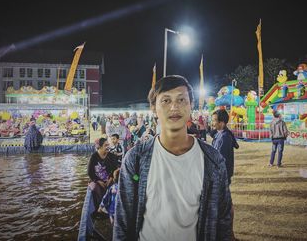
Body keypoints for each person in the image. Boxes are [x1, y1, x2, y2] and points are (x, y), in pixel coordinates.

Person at [113, 75, 232, 240]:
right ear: (153, 108)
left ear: (191, 106)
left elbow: (223, 220)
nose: (175, 107)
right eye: (166, 101)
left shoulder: (213, 160)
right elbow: (122, 222)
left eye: (182, 100)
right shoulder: (135, 159)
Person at [211, 109, 239, 241]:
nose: (212, 123)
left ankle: (229, 235)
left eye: (214, 120)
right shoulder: (221, 134)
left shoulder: (224, 137)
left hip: (221, 176)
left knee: (226, 206)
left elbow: (219, 160)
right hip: (220, 176)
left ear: (222, 123)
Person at [87, 137, 120, 211]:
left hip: (109, 179)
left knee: (114, 188)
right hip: (96, 180)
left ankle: (110, 208)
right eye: (106, 145)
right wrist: (98, 181)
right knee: (96, 188)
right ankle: (99, 209)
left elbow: (115, 168)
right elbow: (90, 172)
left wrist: (111, 178)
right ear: (100, 147)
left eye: (108, 145)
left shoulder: (111, 156)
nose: (108, 147)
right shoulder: (93, 157)